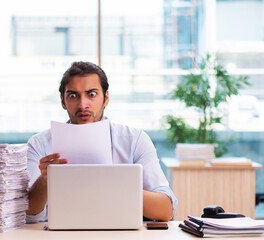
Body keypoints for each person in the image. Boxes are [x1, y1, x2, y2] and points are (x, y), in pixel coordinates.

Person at [26, 61, 177, 223]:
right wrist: (45, 180)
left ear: (106, 98)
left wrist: (114, 185)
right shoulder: (39, 144)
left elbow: (165, 210)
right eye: (73, 96)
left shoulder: (135, 140)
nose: (83, 104)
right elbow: (28, 213)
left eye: (91, 94)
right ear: (63, 102)